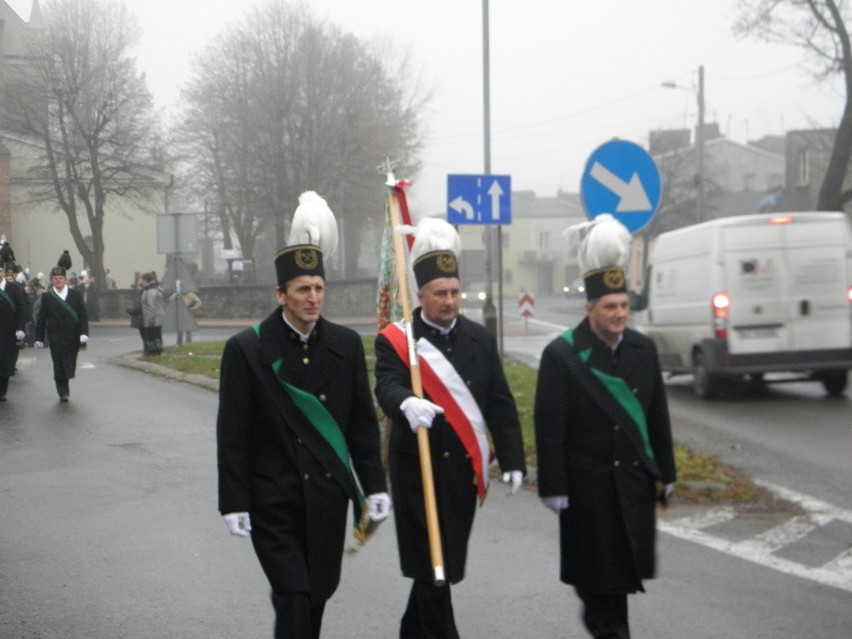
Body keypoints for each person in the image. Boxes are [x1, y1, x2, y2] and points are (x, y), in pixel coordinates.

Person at [216, 191, 389, 639]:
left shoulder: (346, 346)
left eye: (319, 288)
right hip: (273, 501)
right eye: (302, 289)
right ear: (281, 294)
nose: (313, 298)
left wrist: (374, 486)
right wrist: (233, 500)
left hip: (327, 499)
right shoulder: (247, 350)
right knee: (293, 594)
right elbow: (232, 433)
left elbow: (361, 427)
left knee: (315, 595)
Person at [374, 217, 527, 639]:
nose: (449, 301)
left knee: (442, 572)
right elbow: (385, 383)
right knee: (432, 570)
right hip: (416, 472)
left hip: (459, 474)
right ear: (420, 295)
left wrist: (513, 458)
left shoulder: (479, 340)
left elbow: (499, 401)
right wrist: (404, 401)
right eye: (440, 293)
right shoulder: (397, 340)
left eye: (455, 292)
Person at [534, 214, 677, 639]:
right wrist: (553, 486)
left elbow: (657, 417)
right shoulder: (562, 356)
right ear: (589, 308)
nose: (618, 315)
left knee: (618, 587)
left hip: (631, 489)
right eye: (609, 307)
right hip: (586, 493)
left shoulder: (643, 349)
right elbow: (550, 427)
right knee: (599, 589)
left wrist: (666, 473)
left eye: (623, 306)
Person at [35, 266, 89, 401]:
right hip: (55, 336)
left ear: (65, 280)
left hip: (72, 335)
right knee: (58, 362)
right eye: (55, 278)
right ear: (52, 281)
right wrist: (39, 338)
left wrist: (84, 333)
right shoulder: (47, 297)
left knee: (70, 361)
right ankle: (62, 391)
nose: (58, 281)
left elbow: (82, 315)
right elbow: (42, 319)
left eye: (61, 278)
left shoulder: (75, 294)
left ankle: (66, 380)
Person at [0, 263, 27, 400]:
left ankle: (2, 391)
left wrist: (21, 327)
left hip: (8, 331)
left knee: (5, 362)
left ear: (3, 272)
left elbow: (21, 309)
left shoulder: (14, 289)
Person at [140, 271, 164, 355]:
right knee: (157, 337)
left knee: (152, 338)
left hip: (152, 320)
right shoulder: (157, 288)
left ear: (146, 281)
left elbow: (151, 307)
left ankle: (154, 353)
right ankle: (157, 352)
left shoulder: (150, 291)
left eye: (142, 280)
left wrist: (148, 321)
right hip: (158, 318)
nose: (141, 282)